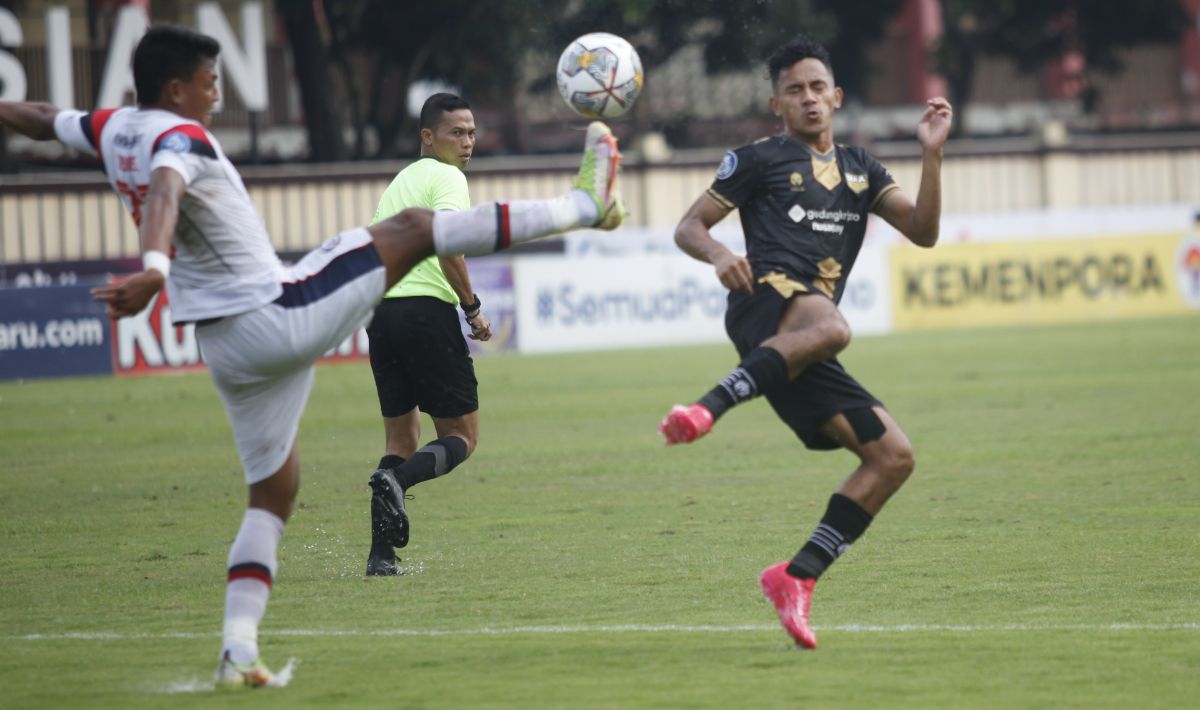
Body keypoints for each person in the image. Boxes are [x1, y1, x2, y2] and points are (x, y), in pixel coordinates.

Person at [0, 24, 624, 687]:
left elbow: (40, 118)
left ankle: (239, 649)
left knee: (273, 492)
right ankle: (581, 203)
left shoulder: (112, 127)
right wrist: (153, 263)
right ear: (176, 88)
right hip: (275, 314)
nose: (218, 96)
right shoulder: (174, 140)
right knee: (414, 231)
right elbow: (164, 188)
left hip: (224, 345)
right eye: (211, 84)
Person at [657, 35, 951, 648]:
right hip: (762, 302)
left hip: (799, 341)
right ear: (777, 104)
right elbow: (690, 225)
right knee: (836, 328)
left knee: (893, 456)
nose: (809, 98)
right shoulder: (758, 159)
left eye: (818, 87)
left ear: (837, 97)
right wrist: (717, 253)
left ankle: (795, 576)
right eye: (795, 90)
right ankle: (707, 408)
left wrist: (932, 156)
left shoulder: (863, 169)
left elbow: (923, 233)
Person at [363, 93, 491, 577]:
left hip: (382, 311)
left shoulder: (401, 182)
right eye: (457, 133)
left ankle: (381, 556)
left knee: (401, 438)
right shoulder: (448, 178)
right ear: (428, 137)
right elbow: (449, 245)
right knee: (461, 436)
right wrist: (472, 309)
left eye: (472, 132)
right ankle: (396, 482)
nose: (468, 143)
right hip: (423, 311)